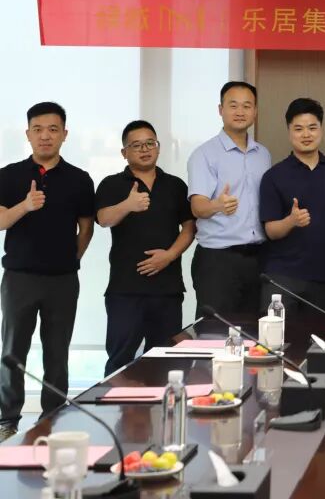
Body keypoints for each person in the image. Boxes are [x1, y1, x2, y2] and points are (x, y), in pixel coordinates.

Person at [0, 102, 94, 440]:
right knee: (12, 352)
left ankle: (52, 418)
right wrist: (25, 206)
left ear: (64, 134)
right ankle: (6, 420)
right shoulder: (9, 175)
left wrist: (71, 258)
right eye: (38, 129)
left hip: (63, 280)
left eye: (53, 129)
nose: (45, 136)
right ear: (28, 134)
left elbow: (86, 227)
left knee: (57, 352)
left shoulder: (79, 179)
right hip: (19, 278)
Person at [96, 120, 195, 376]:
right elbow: (103, 219)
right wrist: (127, 205)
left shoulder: (175, 185)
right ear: (124, 152)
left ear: (158, 147)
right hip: (125, 290)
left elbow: (189, 227)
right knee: (119, 361)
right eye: (137, 145)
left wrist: (170, 255)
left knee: (165, 362)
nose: (145, 149)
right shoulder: (111, 184)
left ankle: (162, 404)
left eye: (150, 143)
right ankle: (114, 404)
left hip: (167, 289)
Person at [259, 99, 325, 334]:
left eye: (312, 127)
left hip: (324, 276)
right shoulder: (274, 176)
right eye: (298, 128)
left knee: (318, 344)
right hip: (282, 277)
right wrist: (291, 221)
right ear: (289, 131)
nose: (306, 134)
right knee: (277, 342)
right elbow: (270, 231)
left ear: (321, 129)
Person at [187, 81, 271, 318]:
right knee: (213, 332)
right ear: (220, 109)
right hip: (218, 260)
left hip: (258, 257)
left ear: (255, 111)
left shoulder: (263, 154)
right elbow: (197, 207)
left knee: (255, 331)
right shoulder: (204, 155)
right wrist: (217, 205)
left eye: (247, 106)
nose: (240, 111)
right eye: (233, 105)